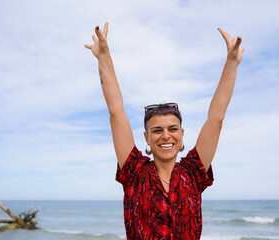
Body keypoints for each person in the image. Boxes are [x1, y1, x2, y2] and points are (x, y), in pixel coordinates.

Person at [85, 22, 244, 240]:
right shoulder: (134, 172)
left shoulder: (194, 173)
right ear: (147, 138)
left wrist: (231, 63)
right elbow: (116, 112)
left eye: (172, 129)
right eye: (157, 130)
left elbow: (216, 118)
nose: (166, 136)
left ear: (181, 134)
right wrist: (104, 56)